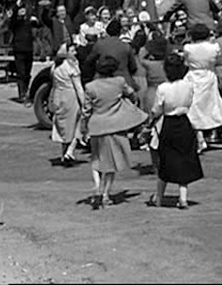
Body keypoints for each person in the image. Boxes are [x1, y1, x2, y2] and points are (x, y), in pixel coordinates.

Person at [80, 56, 148, 209]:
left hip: (97, 126)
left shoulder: (90, 86)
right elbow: (132, 94)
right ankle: (105, 194)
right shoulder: (119, 82)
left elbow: (86, 111)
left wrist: (83, 128)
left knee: (96, 159)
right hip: (116, 126)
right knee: (111, 163)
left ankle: (97, 186)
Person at [146, 54, 204, 209]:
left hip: (168, 124)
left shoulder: (163, 88)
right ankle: (183, 198)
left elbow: (157, 109)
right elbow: (190, 102)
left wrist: (149, 122)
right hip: (184, 122)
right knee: (184, 159)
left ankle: (158, 197)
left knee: (165, 161)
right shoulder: (189, 85)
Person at [183, 24, 222, 153]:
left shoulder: (188, 48)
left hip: (194, 76)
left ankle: (200, 138)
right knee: (215, 103)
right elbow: (216, 58)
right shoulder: (213, 47)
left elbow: (186, 62)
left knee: (193, 107)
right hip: (209, 76)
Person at [49, 44, 85, 166]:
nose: (75, 53)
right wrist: (84, 103)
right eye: (72, 51)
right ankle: (69, 151)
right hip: (71, 97)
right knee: (77, 125)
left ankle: (65, 154)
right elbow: (78, 87)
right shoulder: (71, 66)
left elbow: (53, 84)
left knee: (64, 127)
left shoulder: (55, 66)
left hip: (59, 96)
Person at [84, 19, 138, 90]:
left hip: (103, 80)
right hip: (124, 81)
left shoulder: (100, 44)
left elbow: (89, 61)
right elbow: (133, 67)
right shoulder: (126, 46)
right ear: (120, 32)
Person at [8, 0, 40, 104]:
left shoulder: (29, 22)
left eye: (23, 10)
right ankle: (21, 94)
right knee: (20, 73)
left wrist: (36, 19)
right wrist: (19, 0)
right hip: (19, 50)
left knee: (27, 72)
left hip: (28, 49)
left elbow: (38, 24)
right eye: (20, 11)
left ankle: (26, 92)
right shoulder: (15, 22)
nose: (22, 12)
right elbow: (12, 16)